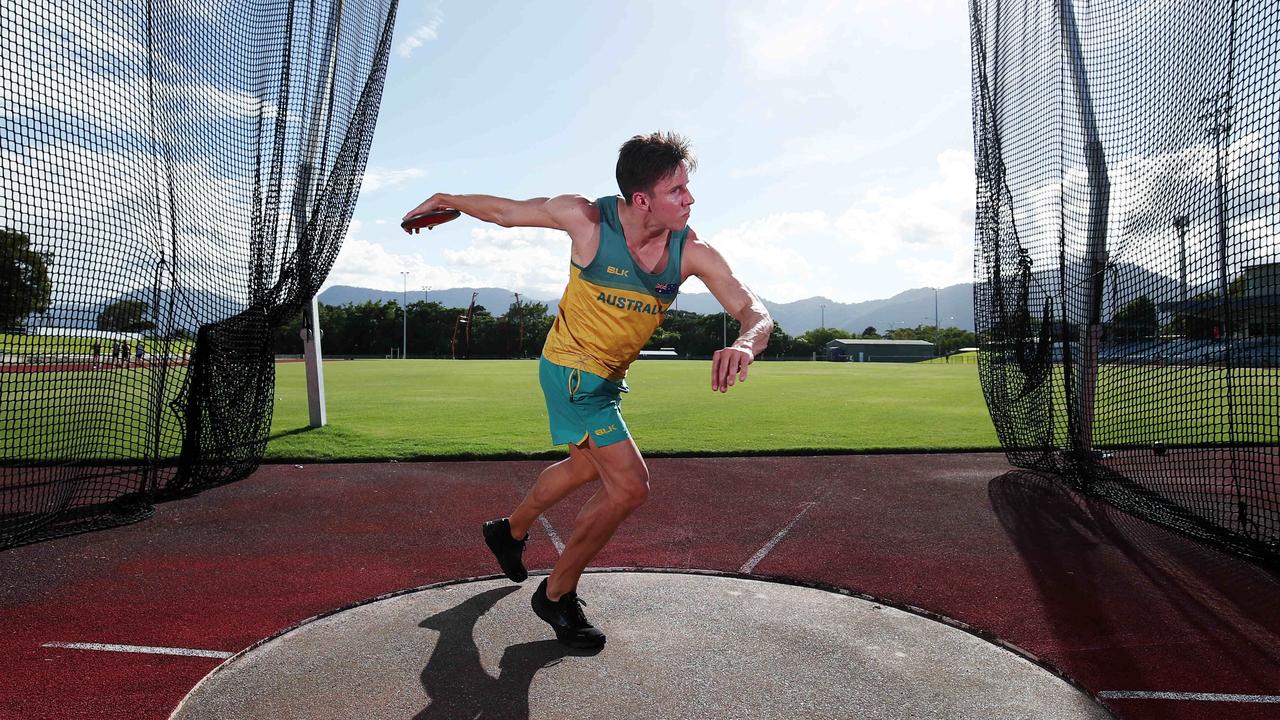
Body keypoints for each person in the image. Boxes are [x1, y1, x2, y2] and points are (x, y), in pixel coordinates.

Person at [404, 132, 773, 649]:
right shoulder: (587, 220)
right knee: (629, 486)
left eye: (688, 189)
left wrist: (746, 345)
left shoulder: (691, 252)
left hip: (603, 379)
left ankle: (507, 532)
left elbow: (754, 310)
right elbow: (508, 212)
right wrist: (448, 200)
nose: (690, 200)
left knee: (583, 466)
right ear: (642, 200)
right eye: (678, 191)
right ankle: (555, 595)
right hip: (573, 374)